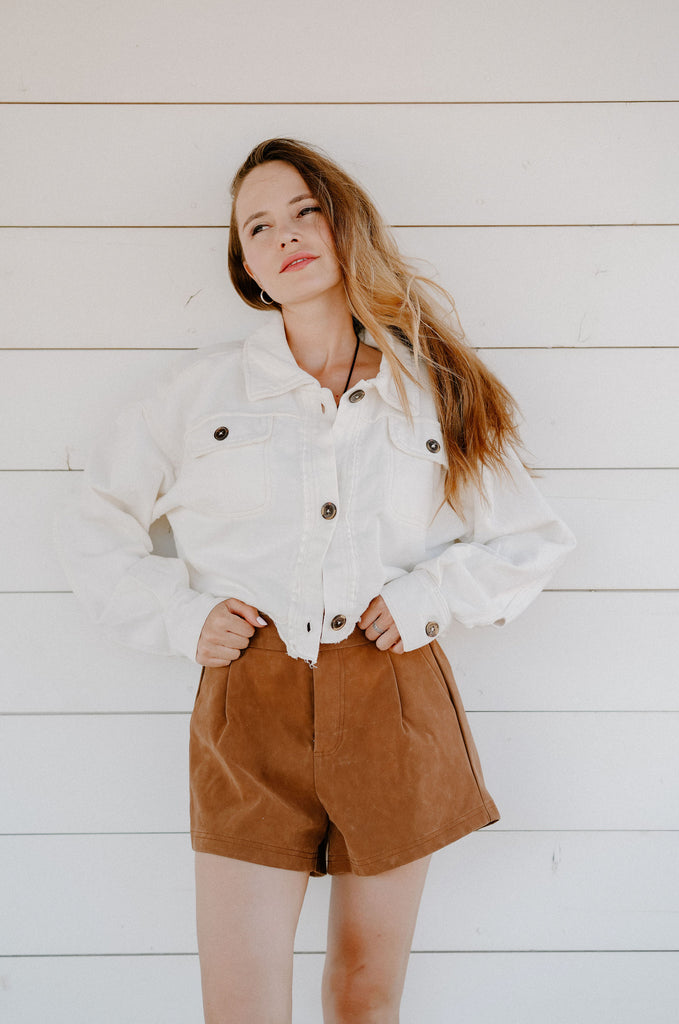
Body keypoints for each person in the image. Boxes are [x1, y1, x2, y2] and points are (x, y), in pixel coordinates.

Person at [54, 137, 576, 1024]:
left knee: (366, 997)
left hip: (392, 701)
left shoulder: (432, 391)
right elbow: (90, 519)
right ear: (246, 266)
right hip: (248, 710)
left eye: (304, 211)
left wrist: (422, 600)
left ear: (344, 227)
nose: (284, 234)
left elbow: (529, 539)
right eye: (258, 226)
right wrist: (179, 617)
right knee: (242, 1008)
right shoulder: (199, 394)